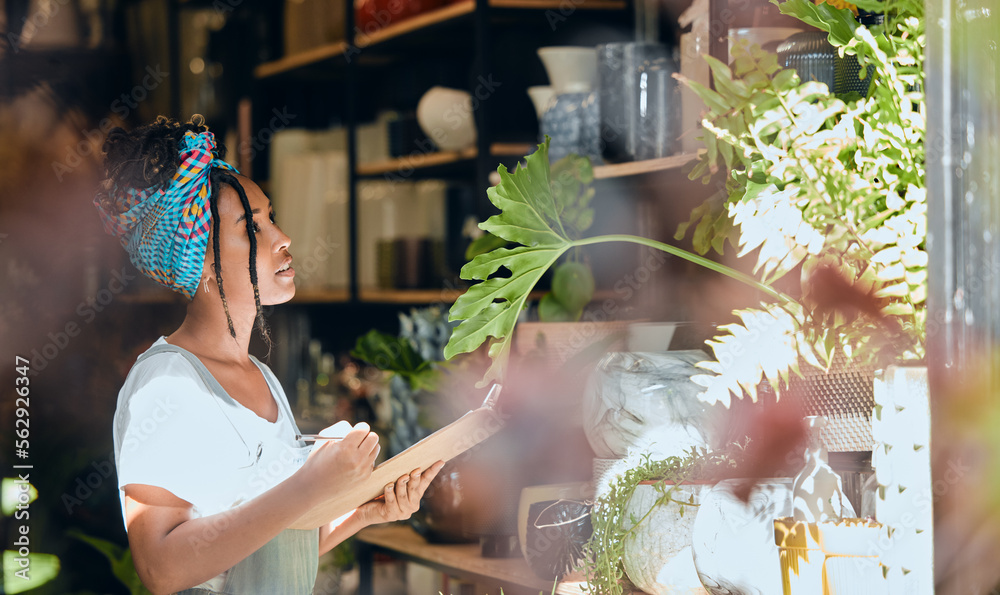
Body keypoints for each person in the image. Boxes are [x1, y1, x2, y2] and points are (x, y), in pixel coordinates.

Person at [96, 115, 444, 594]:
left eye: (271, 217)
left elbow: (267, 545)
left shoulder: (261, 377)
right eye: (252, 226)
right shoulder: (165, 385)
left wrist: (363, 511)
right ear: (203, 260)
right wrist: (310, 486)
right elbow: (162, 568)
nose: (282, 238)